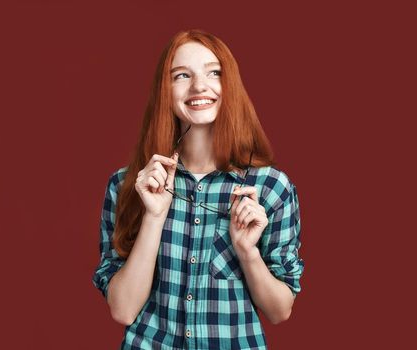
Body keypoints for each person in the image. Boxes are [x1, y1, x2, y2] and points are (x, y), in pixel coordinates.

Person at [92, 29, 304, 349]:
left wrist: (247, 252)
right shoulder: (130, 185)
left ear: (229, 84)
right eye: (182, 75)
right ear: (166, 90)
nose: (199, 86)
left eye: (213, 72)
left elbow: (280, 311)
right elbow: (122, 310)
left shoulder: (270, 188)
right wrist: (154, 216)